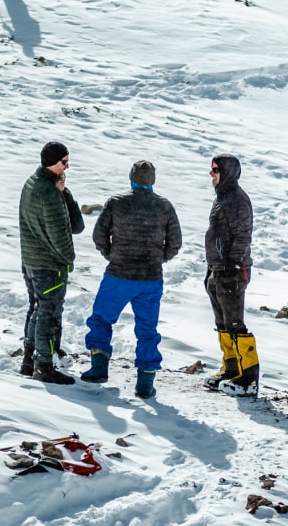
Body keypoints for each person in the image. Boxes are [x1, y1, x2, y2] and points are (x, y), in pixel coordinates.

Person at [81, 160, 182, 399]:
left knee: (101, 319)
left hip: (119, 274)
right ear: (153, 181)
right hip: (150, 278)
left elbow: (99, 235)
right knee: (147, 329)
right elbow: (176, 242)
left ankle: (98, 368)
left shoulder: (117, 202)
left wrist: (111, 254)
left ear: (131, 177)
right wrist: (159, 259)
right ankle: (145, 383)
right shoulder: (164, 206)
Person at [19, 141, 84, 385]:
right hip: (49, 265)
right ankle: (44, 365)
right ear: (54, 163)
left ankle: (30, 360)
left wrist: (62, 192)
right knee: (48, 313)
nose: (67, 167)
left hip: (31, 261)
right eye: (65, 162)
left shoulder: (31, 183)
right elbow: (68, 231)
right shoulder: (50, 193)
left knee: (37, 309)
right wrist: (68, 260)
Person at [203, 153, 259, 395]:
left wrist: (232, 265)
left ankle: (248, 380)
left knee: (236, 324)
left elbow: (243, 235)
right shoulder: (223, 196)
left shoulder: (236, 199)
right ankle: (231, 370)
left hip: (231, 271)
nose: (211, 173)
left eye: (215, 169)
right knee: (223, 322)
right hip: (218, 269)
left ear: (227, 172)